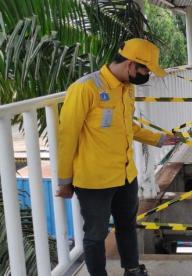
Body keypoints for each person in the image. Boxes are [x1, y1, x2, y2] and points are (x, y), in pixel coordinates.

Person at [56, 38, 179, 276]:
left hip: (125, 175)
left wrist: (159, 139)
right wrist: (64, 181)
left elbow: (128, 127)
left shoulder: (127, 89)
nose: (147, 76)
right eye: (145, 70)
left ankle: (132, 269)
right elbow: (67, 137)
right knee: (95, 235)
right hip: (94, 180)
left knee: (127, 226)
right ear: (131, 65)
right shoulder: (85, 88)